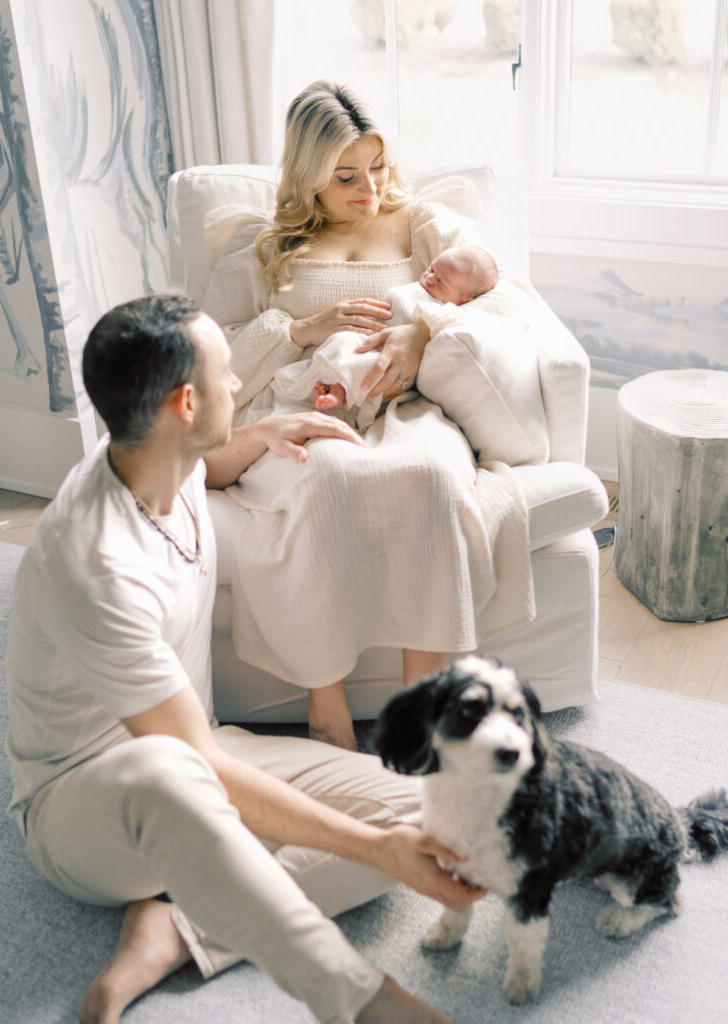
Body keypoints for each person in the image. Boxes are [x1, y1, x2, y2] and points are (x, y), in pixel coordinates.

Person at [4, 294, 484, 1024]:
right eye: (226, 375)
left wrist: (260, 432)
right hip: (86, 801)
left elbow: (213, 464)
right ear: (185, 402)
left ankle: (180, 927)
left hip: (202, 748)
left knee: (426, 812)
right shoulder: (94, 560)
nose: (238, 384)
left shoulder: (164, 455)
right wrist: (374, 851)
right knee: (181, 777)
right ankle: (364, 1001)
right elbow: (188, 761)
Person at [202, 80, 535, 751]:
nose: (369, 190)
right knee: (329, 479)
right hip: (304, 402)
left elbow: (511, 302)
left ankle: (421, 706)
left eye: (378, 167)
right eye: (346, 176)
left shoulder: (422, 225)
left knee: (433, 477)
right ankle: (328, 709)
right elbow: (214, 359)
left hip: (404, 407)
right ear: (309, 179)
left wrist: (425, 330)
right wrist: (296, 328)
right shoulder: (266, 246)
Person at [270, 243, 504, 427]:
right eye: (431, 269)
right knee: (342, 341)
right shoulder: (428, 284)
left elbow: (504, 306)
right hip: (368, 338)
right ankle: (331, 384)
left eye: (441, 282)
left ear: (464, 300)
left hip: (388, 355)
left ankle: (340, 397)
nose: (430, 278)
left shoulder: (447, 312)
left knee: (371, 365)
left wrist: (423, 330)